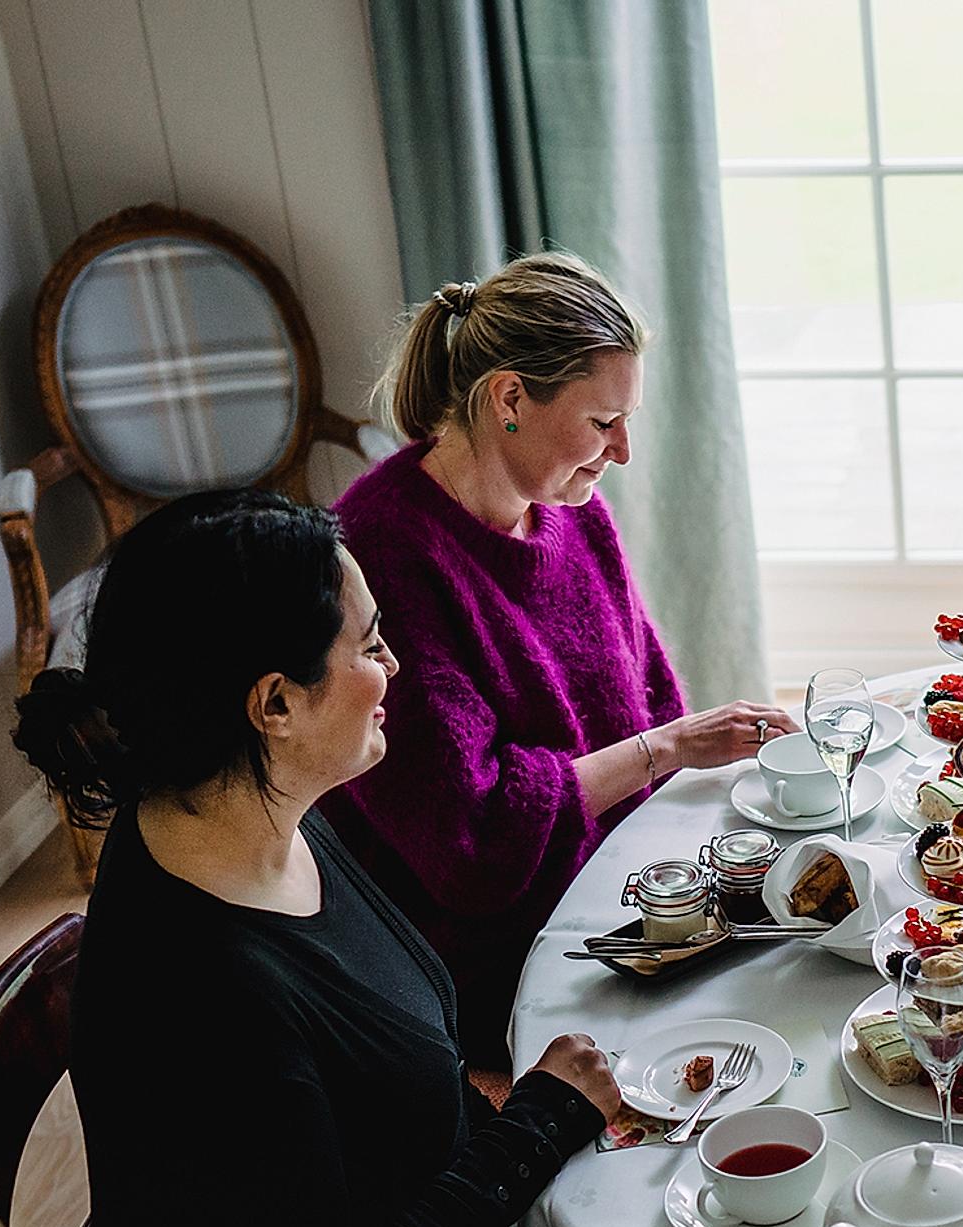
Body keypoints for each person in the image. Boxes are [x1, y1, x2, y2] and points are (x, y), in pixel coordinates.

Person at [12, 489, 620, 1227]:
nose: (394, 666)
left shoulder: (246, 811)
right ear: (275, 704)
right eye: (369, 646)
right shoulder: (208, 1001)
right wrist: (537, 1123)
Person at [321, 253, 795, 1067]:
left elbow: (647, 700)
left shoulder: (573, 516)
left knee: (815, 954)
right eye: (602, 422)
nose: (624, 451)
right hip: (495, 953)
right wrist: (670, 748)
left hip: (620, 886)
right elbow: (469, 844)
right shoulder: (386, 552)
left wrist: (688, 789)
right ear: (509, 398)